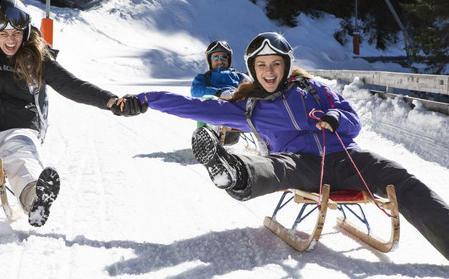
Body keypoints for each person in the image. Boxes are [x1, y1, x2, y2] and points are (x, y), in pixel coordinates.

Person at [134, 32, 449, 259]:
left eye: (275, 64)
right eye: (261, 66)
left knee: (401, 179)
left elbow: (353, 121)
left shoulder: (313, 89)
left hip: (346, 158)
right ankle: (234, 171)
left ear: (285, 65)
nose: (269, 72)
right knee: (277, 166)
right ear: (253, 69)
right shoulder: (250, 105)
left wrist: (336, 117)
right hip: (300, 165)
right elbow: (193, 105)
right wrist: (147, 99)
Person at [0, 0, 145, 227]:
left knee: (21, 159)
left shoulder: (38, 59)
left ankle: (35, 201)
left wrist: (112, 101)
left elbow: (71, 85)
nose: (11, 40)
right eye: (4, 34)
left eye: (16, 34)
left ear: (26, 32)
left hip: (19, 130)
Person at [190, 41, 250, 145]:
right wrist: (218, 93)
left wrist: (237, 94)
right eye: (215, 57)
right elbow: (196, 91)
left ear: (229, 60)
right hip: (214, 110)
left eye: (224, 57)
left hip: (236, 109)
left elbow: (251, 87)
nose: (220, 60)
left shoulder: (239, 77)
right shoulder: (204, 78)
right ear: (210, 60)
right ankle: (203, 140)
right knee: (206, 99)